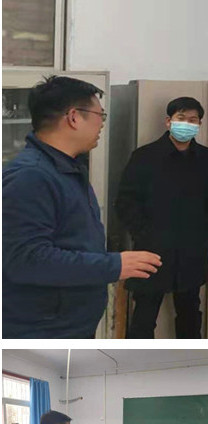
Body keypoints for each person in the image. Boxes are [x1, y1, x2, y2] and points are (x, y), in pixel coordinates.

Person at [2, 76, 161, 338]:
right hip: (42, 330)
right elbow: (26, 260)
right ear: (74, 117)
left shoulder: (67, 168)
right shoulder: (31, 176)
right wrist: (113, 265)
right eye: (100, 115)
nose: (102, 124)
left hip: (69, 322)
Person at [115, 96, 208, 339]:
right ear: (168, 121)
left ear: (199, 124)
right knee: (144, 317)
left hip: (191, 251)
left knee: (190, 314)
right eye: (181, 118)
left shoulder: (207, 159)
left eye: (193, 120)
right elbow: (125, 202)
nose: (187, 124)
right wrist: (145, 234)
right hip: (152, 250)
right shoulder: (145, 156)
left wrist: (206, 233)